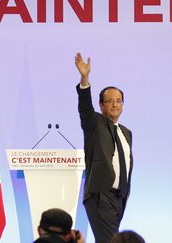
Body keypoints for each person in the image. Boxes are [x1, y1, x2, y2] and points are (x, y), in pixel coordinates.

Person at [74, 53, 134, 243]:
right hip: (101, 194)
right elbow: (84, 108)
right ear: (101, 105)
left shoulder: (126, 132)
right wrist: (85, 79)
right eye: (110, 101)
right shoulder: (95, 124)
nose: (115, 104)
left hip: (119, 197)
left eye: (119, 101)